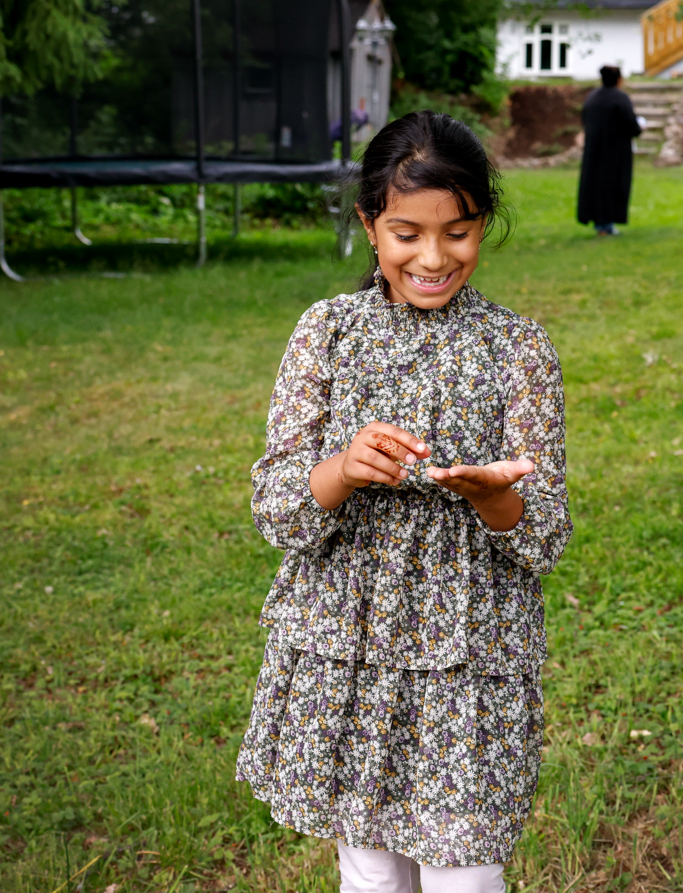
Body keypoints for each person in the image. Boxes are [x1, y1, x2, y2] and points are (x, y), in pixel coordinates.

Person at [236, 110, 570, 893]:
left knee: (467, 880)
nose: (432, 256)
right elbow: (278, 511)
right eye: (406, 233)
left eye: (457, 232)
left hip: (471, 656)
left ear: (483, 223)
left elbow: (546, 535)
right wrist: (343, 469)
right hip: (348, 649)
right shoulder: (327, 332)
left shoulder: (519, 347)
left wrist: (494, 499)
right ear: (369, 225)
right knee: (374, 880)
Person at [576, 64, 642, 236]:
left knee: (596, 186)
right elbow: (631, 124)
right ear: (619, 80)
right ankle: (607, 224)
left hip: (594, 151)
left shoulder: (592, 97)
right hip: (616, 152)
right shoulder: (620, 98)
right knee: (612, 186)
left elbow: (585, 120)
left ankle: (600, 223)